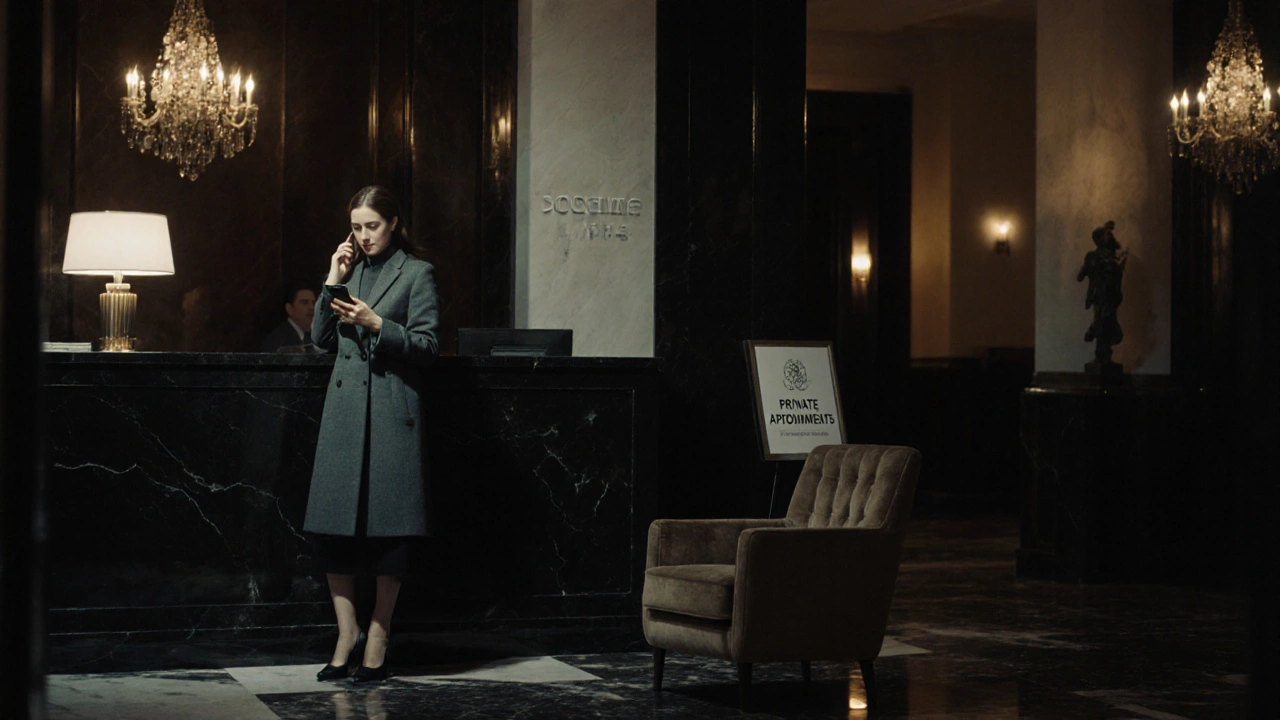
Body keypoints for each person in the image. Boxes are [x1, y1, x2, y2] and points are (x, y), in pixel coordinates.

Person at [305, 186, 440, 683]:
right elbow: (320, 338)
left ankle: (378, 636)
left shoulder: (417, 273)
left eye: (372, 226)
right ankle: (346, 633)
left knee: (389, 538)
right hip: (343, 416)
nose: (363, 236)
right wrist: (331, 278)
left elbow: (427, 346)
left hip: (389, 415)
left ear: (394, 223)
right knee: (331, 531)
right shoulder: (350, 269)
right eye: (356, 227)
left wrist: (378, 323)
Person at [1077, 220, 1127, 366]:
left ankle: (1101, 347)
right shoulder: (1094, 257)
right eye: (1107, 235)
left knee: (1108, 323)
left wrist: (1120, 265)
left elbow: (1116, 275)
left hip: (1110, 295)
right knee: (1105, 319)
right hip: (1100, 294)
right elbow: (1080, 276)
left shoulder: (1111, 257)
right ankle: (1094, 331)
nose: (1110, 238)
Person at [261, 281, 318, 352]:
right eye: (304, 302)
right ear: (289, 309)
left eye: (313, 303)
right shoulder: (277, 339)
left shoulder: (318, 336)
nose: (311, 307)